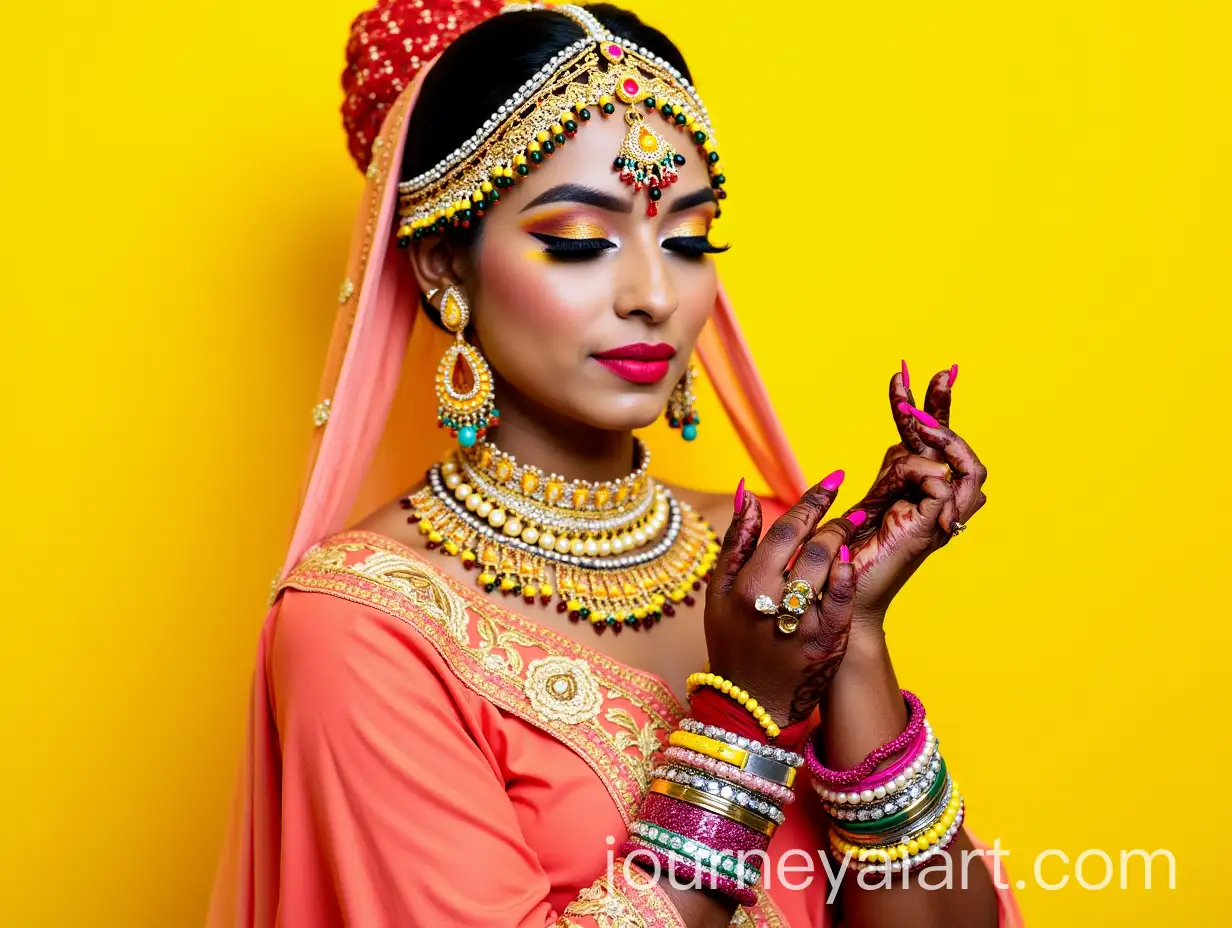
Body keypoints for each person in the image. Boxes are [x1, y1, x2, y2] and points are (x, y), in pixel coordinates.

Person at [207, 2, 1024, 925]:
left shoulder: (771, 569)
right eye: (580, 242)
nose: (652, 294)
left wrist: (857, 637)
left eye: (688, 240)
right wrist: (738, 727)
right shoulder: (363, 628)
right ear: (442, 266)